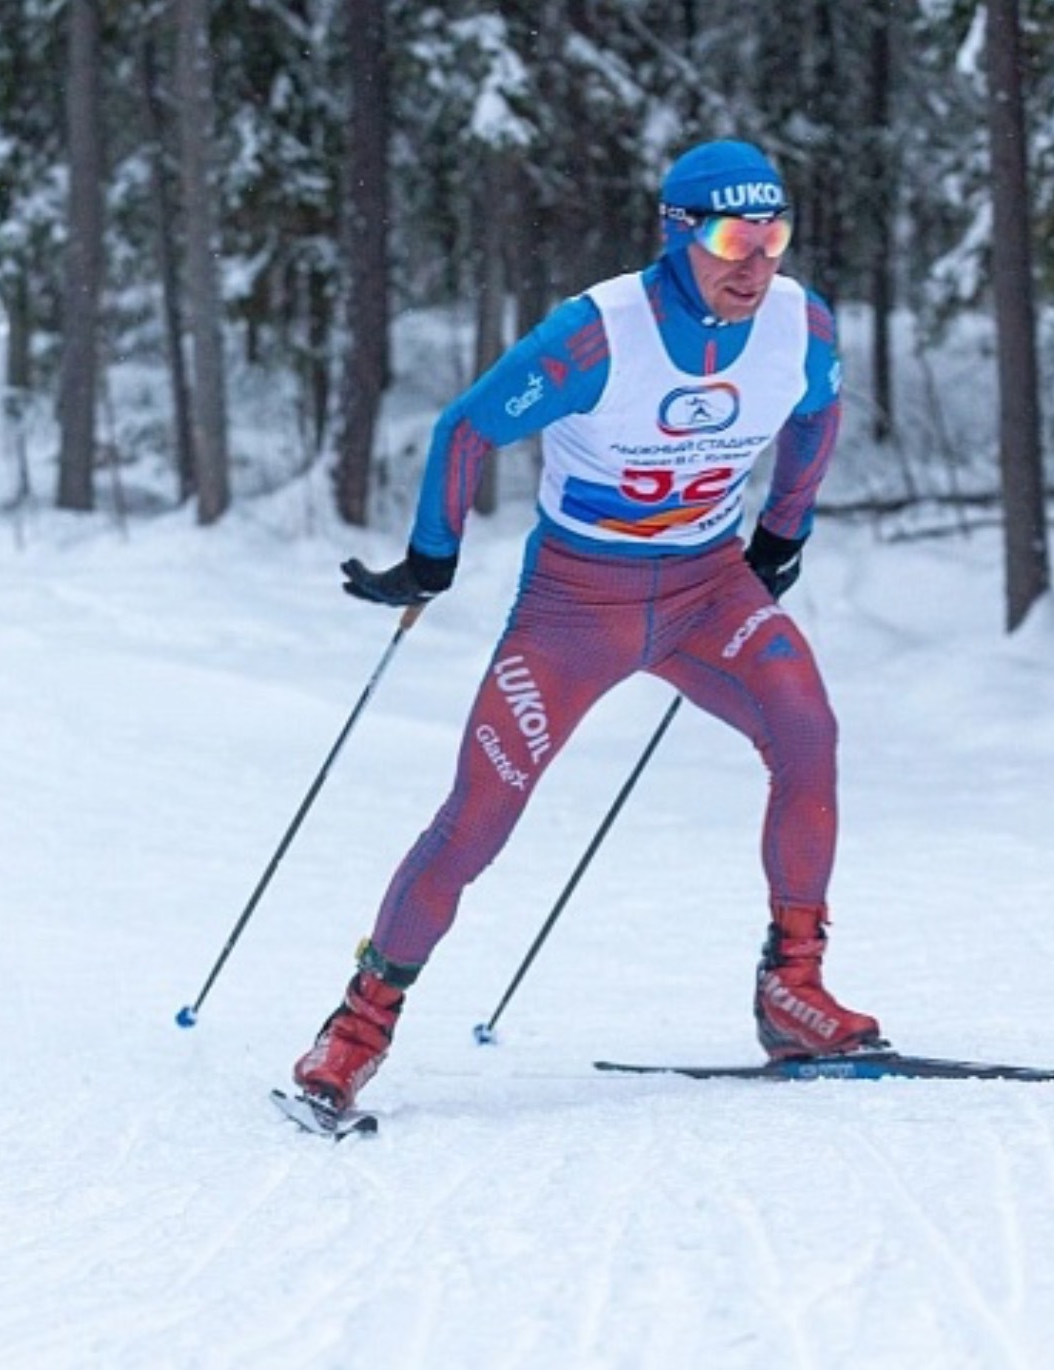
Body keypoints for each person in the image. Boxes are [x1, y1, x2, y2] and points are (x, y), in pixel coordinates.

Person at [290, 140, 882, 1113]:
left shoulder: (798, 323)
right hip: (575, 608)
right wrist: (431, 556)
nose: (756, 261)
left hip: (707, 593)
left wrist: (784, 528)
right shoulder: (599, 335)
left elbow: (819, 411)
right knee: (477, 818)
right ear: (679, 232)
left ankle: (793, 991)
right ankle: (356, 1027)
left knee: (808, 734)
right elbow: (468, 427)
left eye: (775, 235)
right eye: (735, 236)